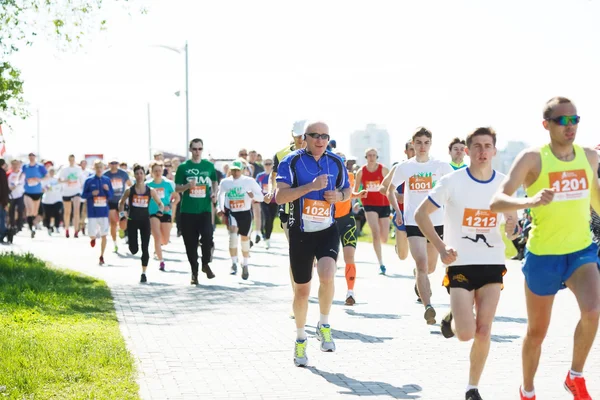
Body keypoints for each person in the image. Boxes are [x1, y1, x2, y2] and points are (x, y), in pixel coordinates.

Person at [489, 97, 600, 400]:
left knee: (593, 311)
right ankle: (527, 389)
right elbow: (497, 200)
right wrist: (530, 201)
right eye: (562, 121)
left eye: (575, 120)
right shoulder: (532, 158)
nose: (570, 126)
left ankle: (575, 376)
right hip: (543, 255)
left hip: (581, 251)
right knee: (537, 333)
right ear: (546, 125)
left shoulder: (589, 156)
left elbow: (596, 199)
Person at [415, 127, 519, 400]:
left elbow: (512, 227)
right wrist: (440, 247)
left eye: (488, 146)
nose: (482, 151)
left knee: (484, 330)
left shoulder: (505, 184)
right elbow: (420, 214)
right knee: (465, 334)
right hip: (460, 265)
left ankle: (472, 387)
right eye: (477, 146)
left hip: (492, 264)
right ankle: (452, 320)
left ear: (495, 151)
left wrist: (512, 226)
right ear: (468, 150)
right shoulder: (452, 181)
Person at [275, 121, 350, 367]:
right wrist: (311, 187)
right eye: (315, 135)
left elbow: (347, 190)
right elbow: (280, 196)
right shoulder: (292, 161)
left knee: (328, 274)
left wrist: (338, 196)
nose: (320, 140)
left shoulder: (336, 161)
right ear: (305, 137)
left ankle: (324, 324)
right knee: (303, 290)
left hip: (327, 229)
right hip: (300, 232)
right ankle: (300, 339)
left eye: (325, 136)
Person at [388, 127, 454, 324]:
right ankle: (428, 306)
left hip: (437, 222)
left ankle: (419, 277)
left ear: (430, 144)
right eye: (418, 143)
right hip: (413, 221)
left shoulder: (441, 166)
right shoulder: (405, 167)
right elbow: (389, 190)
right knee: (422, 264)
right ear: (412, 145)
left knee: (431, 267)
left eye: (426, 142)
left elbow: (454, 188)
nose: (422, 146)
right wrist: (397, 212)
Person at [271, 120, 307, 315]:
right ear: (292, 135)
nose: (301, 140)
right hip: (289, 211)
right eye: (298, 136)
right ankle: (298, 298)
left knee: (309, 258)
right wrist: (271, 191)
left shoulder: (318, 153)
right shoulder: (281, 154)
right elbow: (274, 177)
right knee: (296, 254)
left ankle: (303, 292)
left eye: (304, 136)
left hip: (313, 212)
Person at [175, 138, 218, 284]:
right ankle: (194, 272)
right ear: (190, 150)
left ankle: (206, 263)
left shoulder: (208, 166)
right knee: (190, 244)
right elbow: (177, 188)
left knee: (207, 237)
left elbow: (214, 181)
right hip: (188, 211)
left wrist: (214, 194)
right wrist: (187, 186)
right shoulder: (183, 168)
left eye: (200, 149)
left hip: (204, 209)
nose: (197, 152)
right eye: (194, 149)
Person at [217, 160, 264, 280]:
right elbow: (220, 196)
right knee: (233, 236)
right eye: (233, 170)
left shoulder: (249, 181)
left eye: (237, 170)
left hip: (245, 214)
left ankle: (245, 264)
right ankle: (233, 263)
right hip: (233, 213)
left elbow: (261, 196)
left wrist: (253, 196)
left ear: (242, 170)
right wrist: (220, 209)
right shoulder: (225, 182)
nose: (235, 172)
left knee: (244, 239)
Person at [120, 165, 165, 283]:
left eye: (141, 173)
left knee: (145, 248)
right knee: (134, 249)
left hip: (145, 221)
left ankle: (144, 273)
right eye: (137, 174)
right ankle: (133, 246)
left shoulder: (150, 191)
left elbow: (160, 204)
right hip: (132, 221)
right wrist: (122, 214)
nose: (139, 176)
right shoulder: (130, 190)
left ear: (144, 175)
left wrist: (160, 210)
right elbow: (121, 202)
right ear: (134, 176)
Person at [335, 151, 366, 305]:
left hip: (346, 219)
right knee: (328, 261)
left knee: (349, 257)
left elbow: (346, 194)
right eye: (338, 161)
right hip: (329, 222)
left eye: (343, 161)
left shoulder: (351, 176)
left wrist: (357, 195)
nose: (341, 164)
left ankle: (350, 292)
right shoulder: (327, 175)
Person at [354, 148, 391, 274]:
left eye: (374, 155)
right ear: (366, 157)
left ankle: (381, 246)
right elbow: (355, 190)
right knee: (375, 233)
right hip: (369, 205)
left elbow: (391, 185)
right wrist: (357, 203)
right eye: (369, 155)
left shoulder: (383, 169)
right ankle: (381, 263)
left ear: (377, 157)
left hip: (384, 204)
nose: (371, 157)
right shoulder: (361, 171)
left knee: (384, 238)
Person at [380, 140, 415, 261]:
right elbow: (382, 187)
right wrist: (396, 195)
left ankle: (420, 271)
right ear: (405, 152)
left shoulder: (428, 169)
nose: (414, 152)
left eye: (416, 148)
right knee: (403, 255)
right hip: (402, 214)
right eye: (411, 149)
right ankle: (400, 245)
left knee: (424, 258)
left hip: (421, 215)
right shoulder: (398, 168)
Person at [146, 161, 179, 271]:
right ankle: (161, 261)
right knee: (157, 236)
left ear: (162, 170)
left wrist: (170, 205)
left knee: (165, 240)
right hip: (153, 212)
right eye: (155, 171)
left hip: (165, 212)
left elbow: (176, 197)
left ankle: (159, 245)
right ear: (151, 172)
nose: (157, 173)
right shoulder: (148, 185)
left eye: (159, 170)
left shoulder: (168, 183)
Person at [82, 160, 114, 265]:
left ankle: (102, 256)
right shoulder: (89, 180)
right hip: (92, 212)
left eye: (101, 167)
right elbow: (83, 195)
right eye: (97, 167)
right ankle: (93, 238)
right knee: (91, 233)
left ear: (104, 168)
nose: (99, 169)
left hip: (104, 212)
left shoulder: (107, 180)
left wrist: (107, 190)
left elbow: (111, 196)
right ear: (94, 168)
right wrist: (91, 193)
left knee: (104, 234)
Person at [103, 158, 132, 252]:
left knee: (124, 222)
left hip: (121, 202)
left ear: (118, 164)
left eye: (115, 163)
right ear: (109, 164)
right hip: (110, 201)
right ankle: (115, 243)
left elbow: (130, 184)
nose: (114, 165)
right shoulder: (106, 174)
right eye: (112, 163)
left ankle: (122, 229)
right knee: (113, 223)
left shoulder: (123, 173)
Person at [22, 153, 48, 238]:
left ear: (35, 157)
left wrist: (38, 179)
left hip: (37, 192)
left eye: (33, 155)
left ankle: (32, 224)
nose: (31, 157)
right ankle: (31, 229)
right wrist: (24, 181)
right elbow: (21, 176)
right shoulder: (25, 166)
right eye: (30, 155)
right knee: (29, 210)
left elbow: (46, 177)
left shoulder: (40, 166)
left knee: (34, 212)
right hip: (27, 191)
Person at [59, 154, 84, 238]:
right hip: (66, 192)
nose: (72, 161)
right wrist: (66, 181)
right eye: (70, 159)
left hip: (76, 191)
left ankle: (76, 231)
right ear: (68, 160)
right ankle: (66, 229)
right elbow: (59, 180)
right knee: (67, 212)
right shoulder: (64, 169)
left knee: (76, 211)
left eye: (73, 159)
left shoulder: (78, 169)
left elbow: (82, 180)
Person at [256, 159, 277, 249]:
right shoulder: (260, 176)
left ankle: (268, 237)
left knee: (271, 220)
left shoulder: (275, 175)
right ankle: (264, 235)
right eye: (266, 164)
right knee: (266, 217)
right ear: (263, 165)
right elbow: (256, 187)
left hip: (274, 201)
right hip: (264, 200)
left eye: (270, 164)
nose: (268, 166)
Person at [248, 150, 264, 244]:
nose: (253, 157)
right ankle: (248, 236)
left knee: (257, 212)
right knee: (248, 215)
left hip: (256, 192)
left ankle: (257, 233)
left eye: (255, 155)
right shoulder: (245, 166)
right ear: (249, 156)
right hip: (246, 192)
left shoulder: (259, 167)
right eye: (252, 155)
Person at [41, 167, 63, 235]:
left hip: (57, 199)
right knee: (48, 215)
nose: (52, 173)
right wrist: (47, 187)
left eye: (53, 171)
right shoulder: (45, 179)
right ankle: (49, 228)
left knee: (57, 213)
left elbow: (62, 188)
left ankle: (57, 226)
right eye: (50, 171)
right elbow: (42, 190)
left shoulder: (58, 179)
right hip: (47, 200)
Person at [7, 159, 25, 241]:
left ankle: (19, 225)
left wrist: (15, 185)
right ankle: (12, 225)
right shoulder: (9, 174)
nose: (15, 166)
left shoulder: (21, 173)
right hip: (11, 195)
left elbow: (20, 182)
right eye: (13, 164)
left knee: (20, 210)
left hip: (20, 194)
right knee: (11, 211)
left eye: (16, 164)